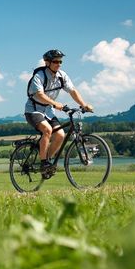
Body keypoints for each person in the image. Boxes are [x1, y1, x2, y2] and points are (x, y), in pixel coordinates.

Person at [24, 49, 94, 177]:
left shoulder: (62, 76)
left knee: (61, 135)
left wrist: (84, 105)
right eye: (56, 61)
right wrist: (55, 103)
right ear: (47, 62)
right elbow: (39, 95)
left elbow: (72, 91)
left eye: (60, 61)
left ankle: (46, 162)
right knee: (47, 130)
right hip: (33, 110)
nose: (59, 64)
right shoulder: (39, 76)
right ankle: (43, 162)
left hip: (48, 111)